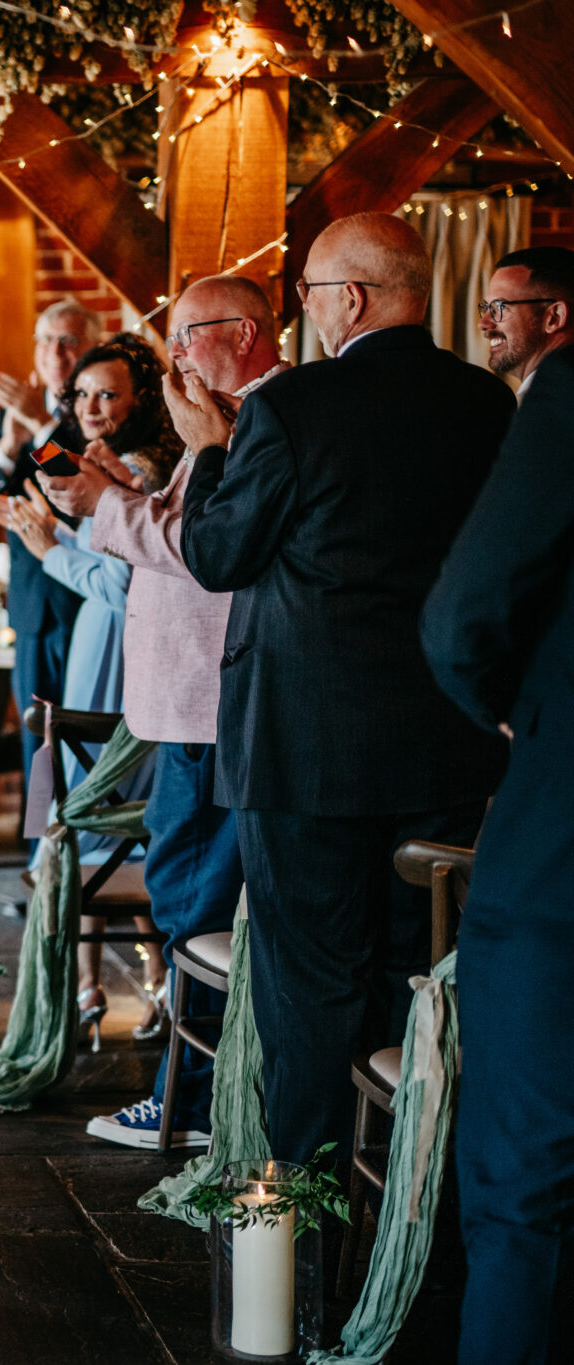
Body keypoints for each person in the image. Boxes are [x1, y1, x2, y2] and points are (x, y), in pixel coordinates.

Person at [177, 214, 511, 1171]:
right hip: (444, 742)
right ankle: (410, 1190)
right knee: (417, 976)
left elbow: (217, 553)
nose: (310, 314)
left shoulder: (295, 408)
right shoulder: (486, 403)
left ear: (351, 298)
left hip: (303, 748)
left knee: (310, 981)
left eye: (312, 296)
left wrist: (208, 450)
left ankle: (305, 1209)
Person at [44, 275, 285, 1148]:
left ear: (247, 333)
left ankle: (191, 1102)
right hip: (191, 704)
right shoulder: (216, 419)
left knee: (193, 907)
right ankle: (193, 1091)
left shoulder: (251, 421)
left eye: (189, 334)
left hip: (207, 705)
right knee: (190, 902)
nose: (175, 353)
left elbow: (202, 552)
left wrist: (104, 508)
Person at [422, 243, 574, 1365]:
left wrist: (513, 712)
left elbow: (463, 612)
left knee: (522, 1182)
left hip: (561, 840)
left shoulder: (567, 388)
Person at [0, 334, 179, 1056]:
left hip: (118, 647)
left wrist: (47, 548)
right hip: (97, 642)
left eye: (110, 394)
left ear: (140, 402)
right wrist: (40, 521)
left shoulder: (137, 469)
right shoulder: (102, 463)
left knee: (95, 814)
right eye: (82, 395)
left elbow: (122, 580)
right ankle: (101, 986)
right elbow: (57, 482)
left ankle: (110, 985)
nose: (93, 407)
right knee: (93, 819)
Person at [0, 299, 98, 794]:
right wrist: (7, 449)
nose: (55, 352)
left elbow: (76, 490)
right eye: (45, 340)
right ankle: (40, 855)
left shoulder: (98, 405)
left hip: (89, 598)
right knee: (37, 739)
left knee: (87, 735)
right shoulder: (18, 412)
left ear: (92, 348)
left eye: (69, 340)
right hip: (34, 605)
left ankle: (85, 846)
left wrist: (42, 427)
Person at [478, 244, 574, 391]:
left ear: (554, 317)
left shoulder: (556, 402)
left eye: (500, 307)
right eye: (486, 308)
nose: (483, 323)